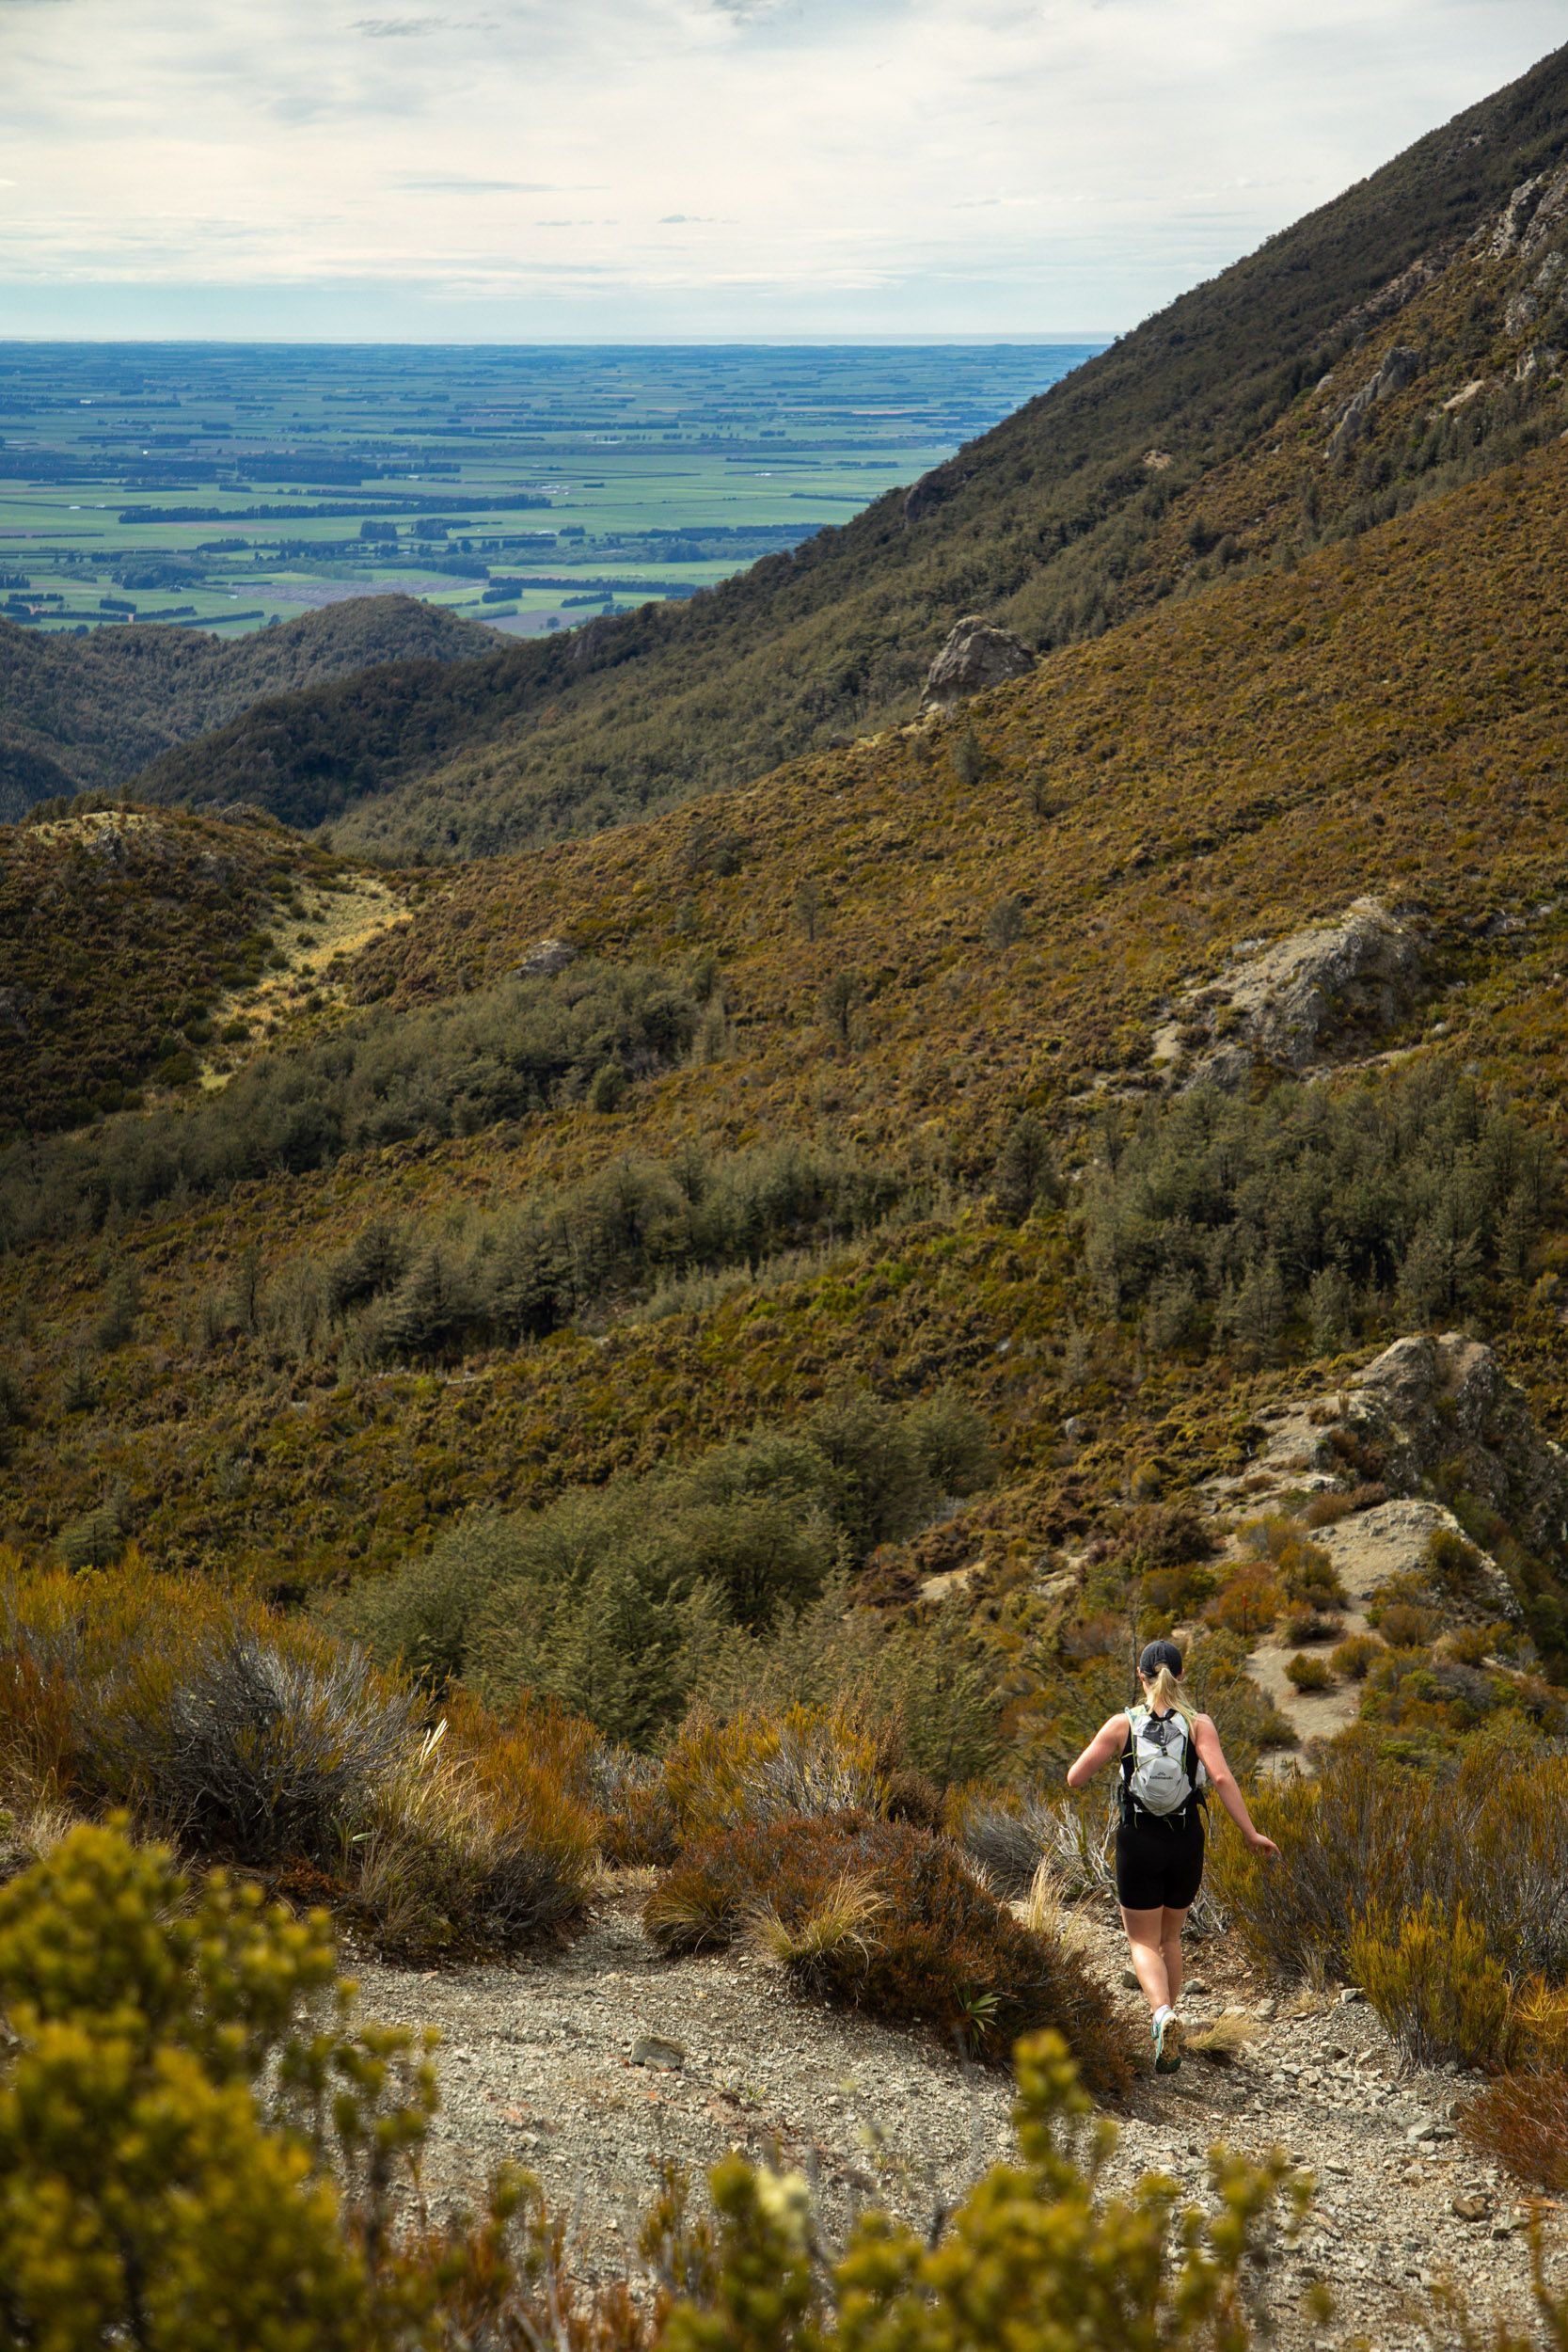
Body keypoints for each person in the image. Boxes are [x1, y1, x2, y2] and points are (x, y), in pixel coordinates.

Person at [1065, 1637, 1279, 2074]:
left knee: (1141, 1940)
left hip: (1137, 1839)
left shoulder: (1121, 1724)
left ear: (1140, 1677)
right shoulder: (1199, 1724)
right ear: (1181, 1675)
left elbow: (1075, 1778)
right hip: (1185, 1840)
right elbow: (1219, 1778)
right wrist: (1251, 1832)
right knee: (1170, 1938)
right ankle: (1170, 2021)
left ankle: (1162, 2015)